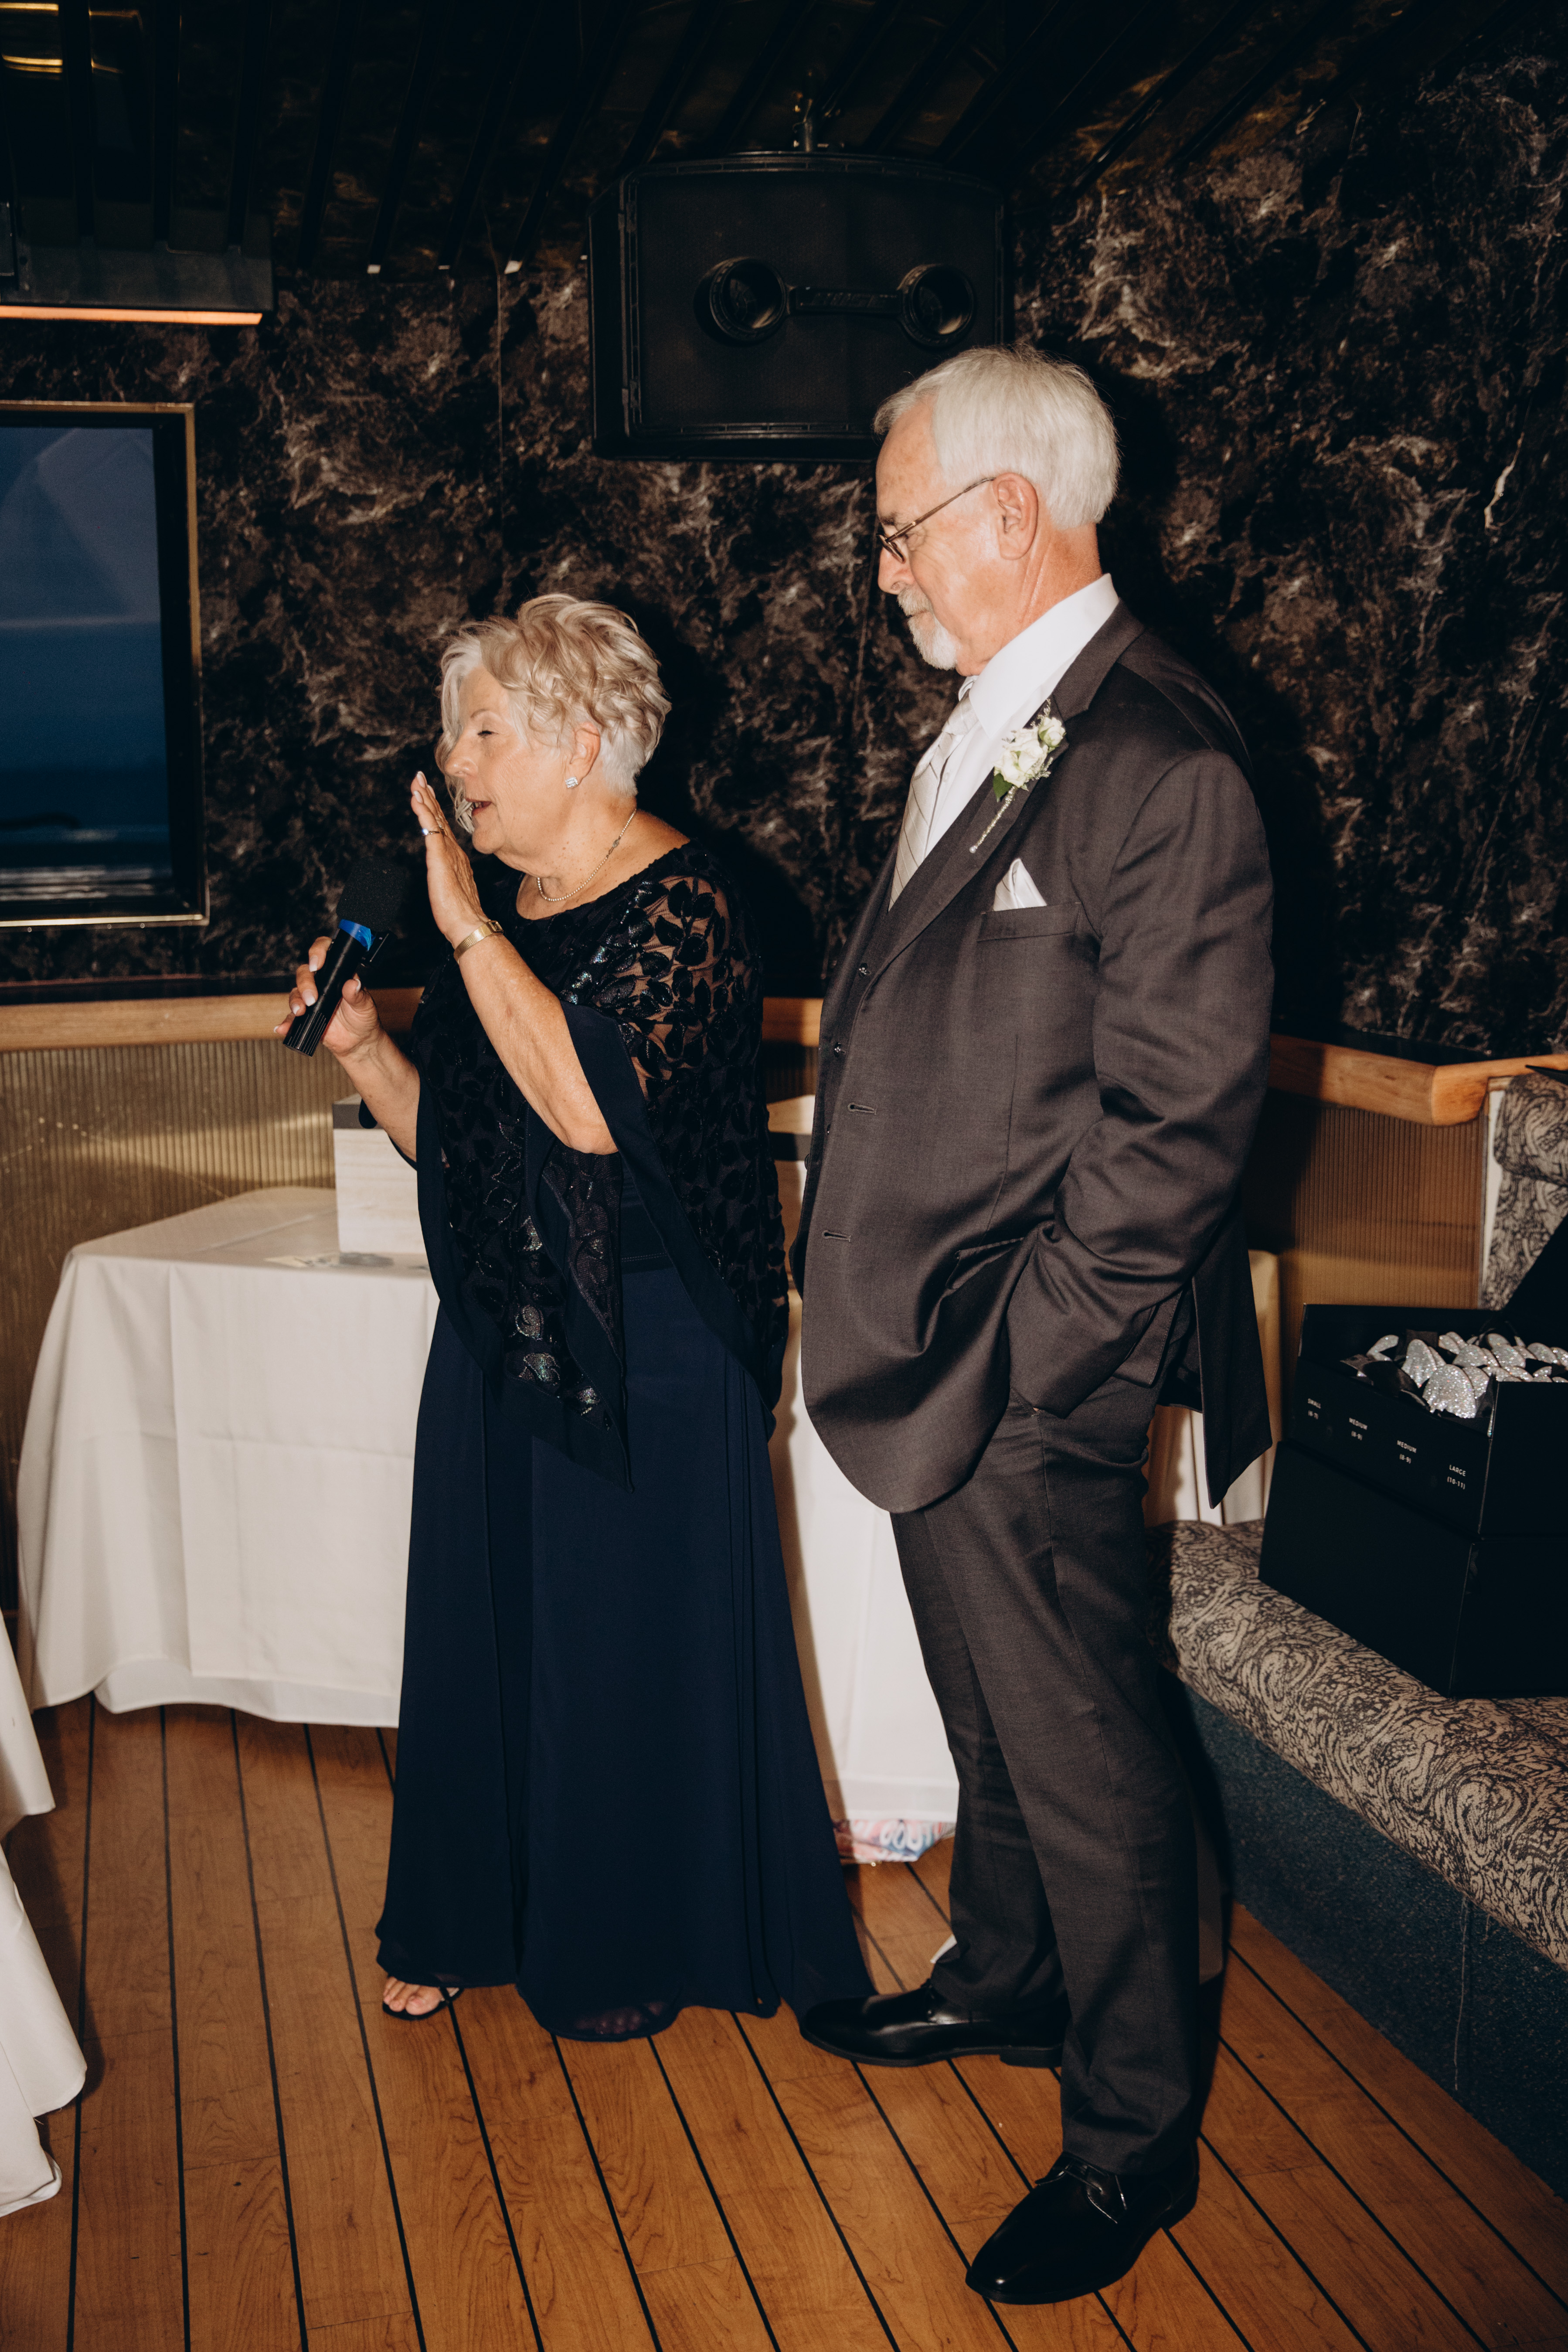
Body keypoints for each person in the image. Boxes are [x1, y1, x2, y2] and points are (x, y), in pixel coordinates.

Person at [794, 347, 1275, 2305]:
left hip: (1025, 1363)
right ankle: (1007, 1971)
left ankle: (1131, 2138)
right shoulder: (1003, 722)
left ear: (1008, 513)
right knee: (987, 1699)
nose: (884, 565)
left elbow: (1176, 1131)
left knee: (1085, 1744)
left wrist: (1036, 1364)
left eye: (899, 527)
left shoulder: (1161, 759)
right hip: (930, 1344)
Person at [277, 593, 869, 2041]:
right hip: (504, 1319)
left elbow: (591, 1116)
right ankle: (473, 1915)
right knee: (488, 1635)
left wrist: (465, 929)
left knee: (615, 1648)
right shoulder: (505, 920)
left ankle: (625, 1934)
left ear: (581, 742)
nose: (452, 762)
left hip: (654, 1339)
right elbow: (463, 1140)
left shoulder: (691, 903)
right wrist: (366, 1051)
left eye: (482, 731)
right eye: (452, 733)